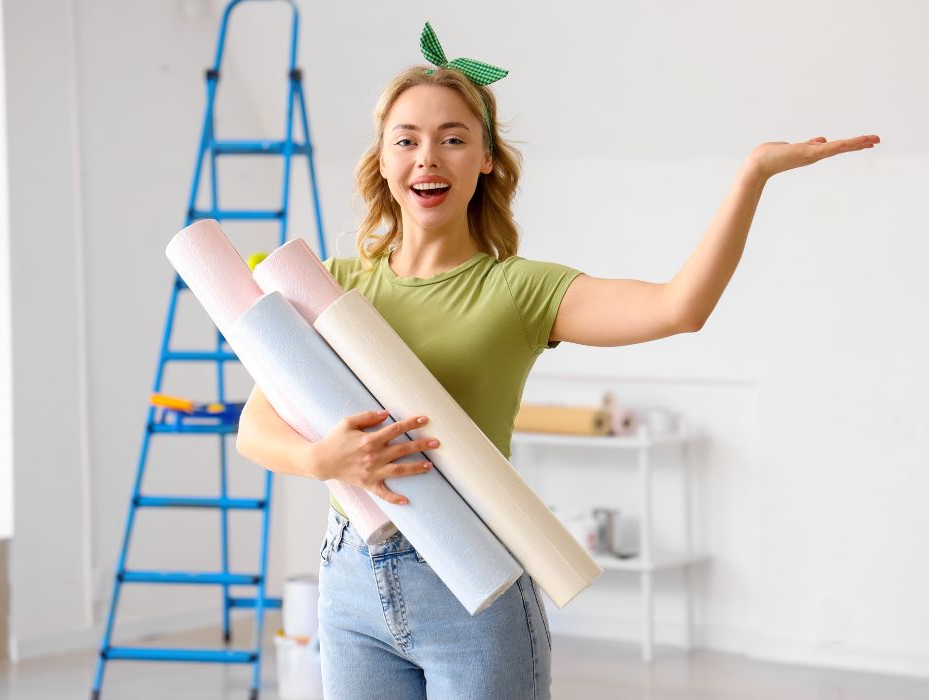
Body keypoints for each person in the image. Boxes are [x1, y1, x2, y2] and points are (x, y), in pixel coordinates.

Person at [236, 21, 879, 700]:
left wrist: (752, 174)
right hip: (352, 586)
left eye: (454, 138)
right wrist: (324, 461)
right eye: (408, 140)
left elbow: (678, 307)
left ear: (485, 159)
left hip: (474, 586)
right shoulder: (330, 285)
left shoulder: (518, 290)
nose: (429, 157)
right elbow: (256, 428)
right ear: (384, 159)